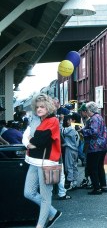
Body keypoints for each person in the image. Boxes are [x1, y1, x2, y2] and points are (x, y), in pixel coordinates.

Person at [22, 94, 63, 228]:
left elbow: (39, 141)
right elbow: (28, 139)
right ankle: (53, 213)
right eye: (37, 107)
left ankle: (40, 226)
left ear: (48, 107)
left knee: (46, 198)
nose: (39, 109)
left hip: (48, 163)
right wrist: (29, 142)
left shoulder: (53, 121)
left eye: (42, 107)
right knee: (28, 192)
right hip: (34, 161)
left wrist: (29, 140)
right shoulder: (38, 120)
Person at [81, 101, 107, 195]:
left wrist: (83, 130)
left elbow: (94, 132)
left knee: (92, 167)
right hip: (104, 145)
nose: (86, 111)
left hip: (95, 146)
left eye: (87, 110)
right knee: (100, 166)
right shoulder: (99, 117)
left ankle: (96, 188)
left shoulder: (93, 118)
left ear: (90, 110)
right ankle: (104, 186)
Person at [62, 114, 79, 190]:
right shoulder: (77, 127)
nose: (68, 121)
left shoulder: (70, 128)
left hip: (70, 149)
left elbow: (61, 131)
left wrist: (60, 120)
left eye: (69, 120)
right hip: (76, 149)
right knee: (74, 166)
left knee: (69, 167)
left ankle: (70, 183)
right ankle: (75, 182)